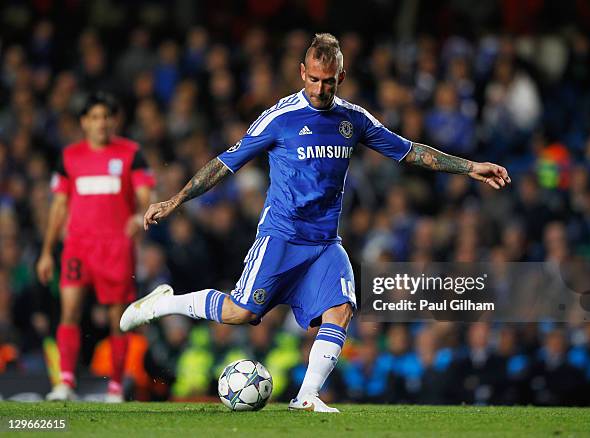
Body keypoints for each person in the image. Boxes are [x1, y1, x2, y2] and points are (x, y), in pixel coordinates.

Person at [120, 33, 511, 412]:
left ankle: (306, 397)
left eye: (328, 81)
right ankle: (164, 303)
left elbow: (409, 152)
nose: (320, 89)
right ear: (301, 72)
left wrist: (471, 167)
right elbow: (226, 163)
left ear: (340, 77)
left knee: (341, 308)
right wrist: (176, 200)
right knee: (242, 313)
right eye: (313, 79)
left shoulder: (353, 119)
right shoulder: (280, 118)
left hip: (325, 241)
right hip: (282, 236)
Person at [37, 92, 155, 402]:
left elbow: (144, 194)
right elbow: (59, 205)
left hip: (116, 246)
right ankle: (65, 382)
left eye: (106, 116)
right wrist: (47, 251)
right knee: (70, 311)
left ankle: (115, 386)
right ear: (83, 122)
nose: (101, 123)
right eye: (94, 117)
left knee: (119, 318)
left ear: (113, 121)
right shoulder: (70, 156)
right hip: (77, 245)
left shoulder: (131, 153)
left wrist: (136, 216)